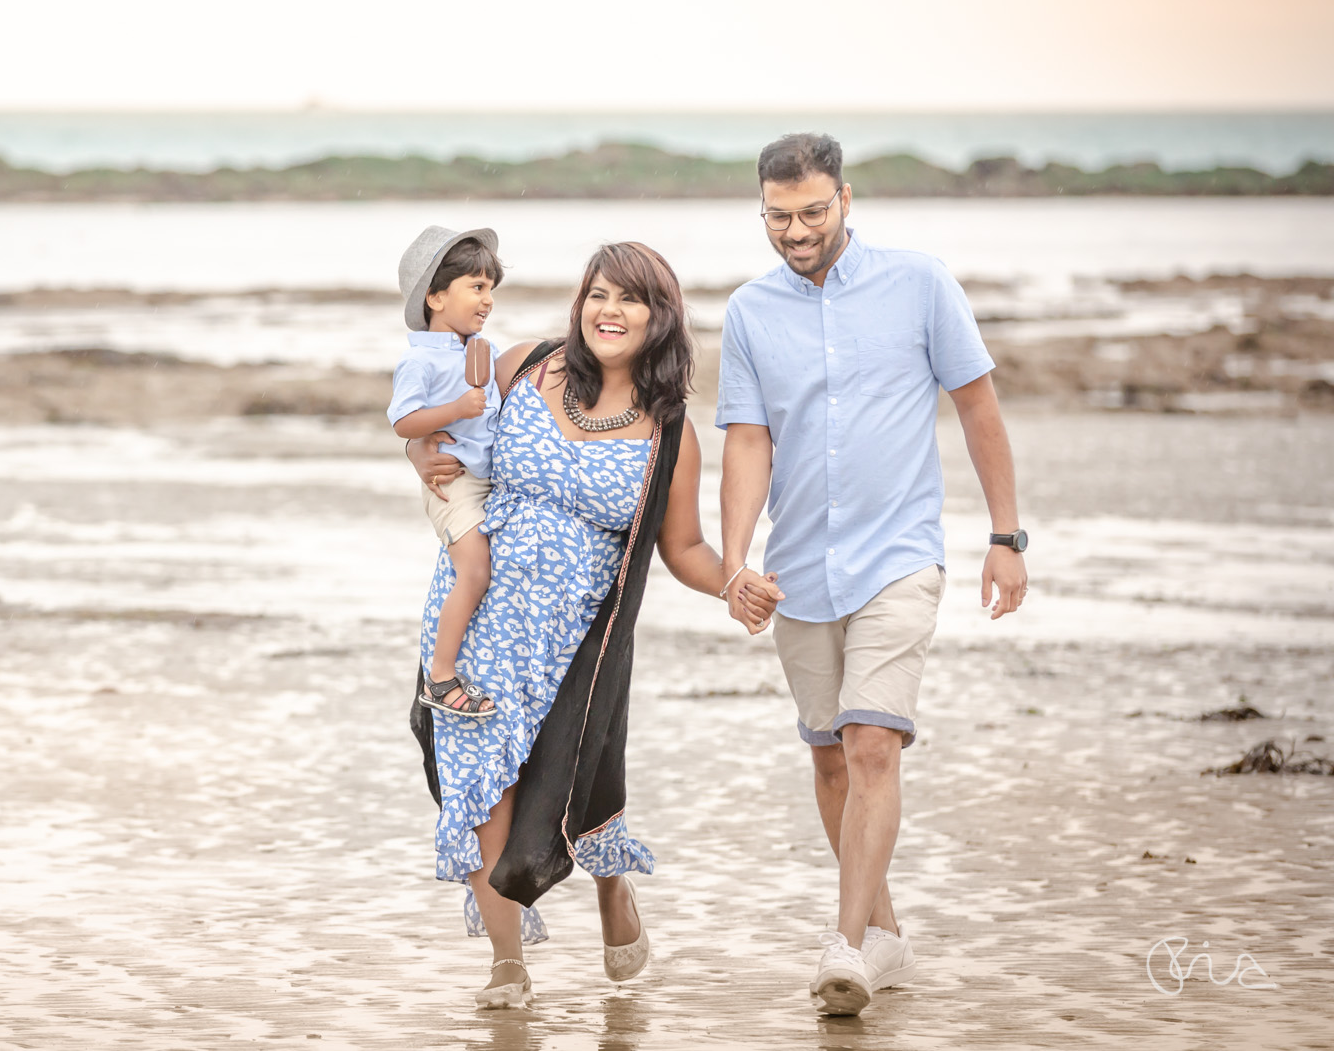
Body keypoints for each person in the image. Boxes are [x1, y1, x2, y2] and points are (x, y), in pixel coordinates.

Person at [406, 242, 774, 1009]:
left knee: (575, 779)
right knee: (482, 788)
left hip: (575, 644)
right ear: (580, 303)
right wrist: (421, 456)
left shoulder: (669, 432)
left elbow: (685, 548)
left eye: (630, 299)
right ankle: (508, 964)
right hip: (475, 622)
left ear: (659, 318)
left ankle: (612, 885)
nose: (610, 310)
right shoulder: (520, 366)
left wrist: (733, 582)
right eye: (598, 294)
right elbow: (429, 409)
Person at [716, 133, 1029, 1017]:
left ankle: (846, 942)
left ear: (846, 198)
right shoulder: (749, 312)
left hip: (899, 555)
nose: (797, 230)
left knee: (870, 744)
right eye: (779, 216)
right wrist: (736, 562)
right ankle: (883, 931)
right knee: (828, 760)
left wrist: (1008, 535)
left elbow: (977, 405)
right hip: (798, 565)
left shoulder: (920, 283)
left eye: (813, 211)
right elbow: (747, 441)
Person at [390, 226, 506, 720]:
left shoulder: (480, 349)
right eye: (476, 288)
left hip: (483, 477)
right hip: (452, 483)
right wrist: (455, 409)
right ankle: (440, 677)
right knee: (474, 571)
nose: (488, 301)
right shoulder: (419, 360)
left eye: (491, 290)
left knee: (490, 568)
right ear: (436, 296)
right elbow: (404, 421)